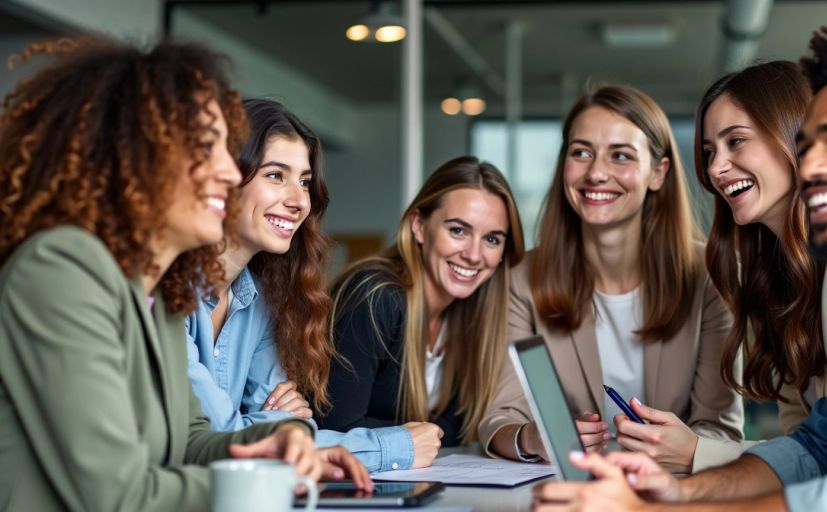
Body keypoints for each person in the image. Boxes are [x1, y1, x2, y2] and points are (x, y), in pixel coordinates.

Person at [533, 8, 827, 511]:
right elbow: (820, 447)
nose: (811, 164)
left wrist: (647, 508)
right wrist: (681, 490)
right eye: (808, 145)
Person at [0, 38, 365, 510]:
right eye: (205, 148)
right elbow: (116, 494)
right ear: (134, 154)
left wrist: (276, 444)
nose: (230, 174)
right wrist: (268, 484)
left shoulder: (155, 291)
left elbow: (191, 440)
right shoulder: (60, 271)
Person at [612, 61, 827, 471]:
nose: (714, 169)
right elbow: (801, 446)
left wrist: (697, 453)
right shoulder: (778, 277)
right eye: (710, 151)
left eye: (736, 141)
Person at [480, 85, 742, 471]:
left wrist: (677, 449)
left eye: (620, 155)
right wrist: (531, 438)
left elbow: (718, 428)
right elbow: (499, 417)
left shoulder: (711, 274)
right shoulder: (522, 280)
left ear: (658, 172)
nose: (596, 173)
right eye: (581, 152)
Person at [184, 98, 395, 475]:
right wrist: (395, 446)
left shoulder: (258, 301)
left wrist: (277, 427)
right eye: (275, 175)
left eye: (304, 182)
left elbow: (299, 429)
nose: (299, 201)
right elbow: (209, 437)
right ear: (225, 179)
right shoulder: (167, 293)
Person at [319, 156, 525, 461]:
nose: (473, 255)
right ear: (419, 225)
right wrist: (417, 436)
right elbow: (336, 428)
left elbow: (460, 424)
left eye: (492, 239)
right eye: (458, 230)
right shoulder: (375, 296)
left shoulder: (473, 311)